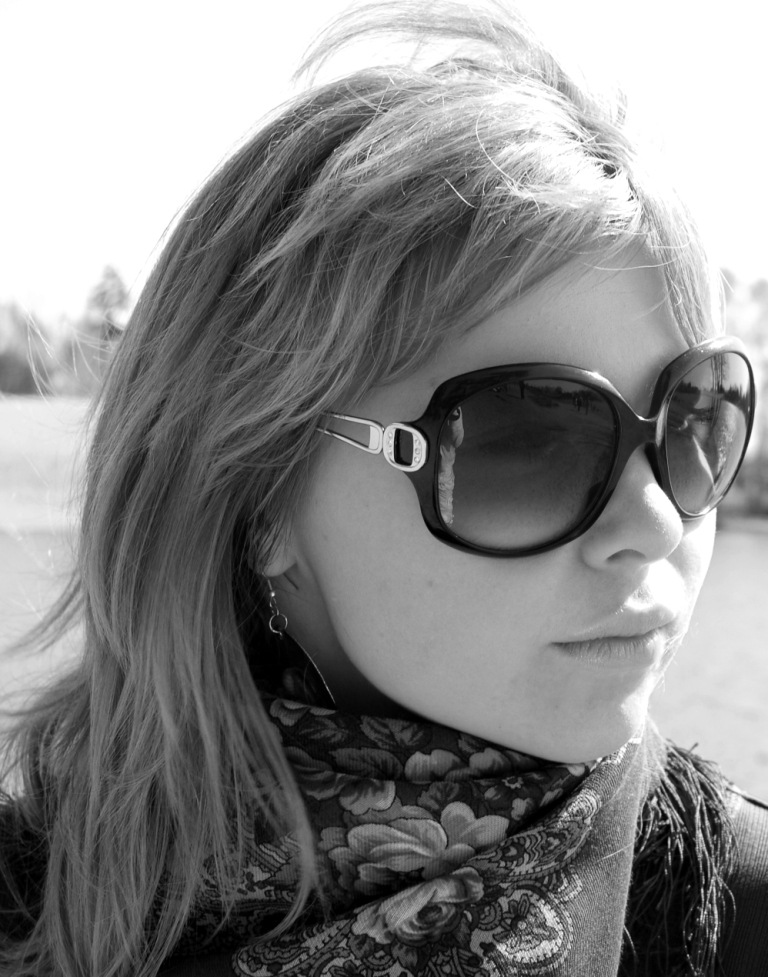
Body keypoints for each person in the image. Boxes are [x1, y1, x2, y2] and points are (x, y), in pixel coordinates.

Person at [1, 2, 766, 975]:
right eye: (528, 438)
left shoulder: (733, 918)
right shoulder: (32, 899)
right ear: (260, 497)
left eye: (694, 419)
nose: (656, 521)